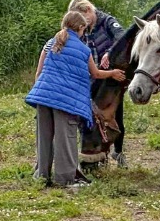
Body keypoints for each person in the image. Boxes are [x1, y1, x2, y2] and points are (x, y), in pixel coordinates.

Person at [27, 11, 125, 189]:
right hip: (65, 101)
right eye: (84, 30)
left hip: (43, 96)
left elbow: (39, 72)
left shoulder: (50, 44)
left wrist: (41, 93)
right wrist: (112, 73)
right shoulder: (83, 50)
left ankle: (41, 176)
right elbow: (95, 73)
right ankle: (65, 178)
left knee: (44, 137)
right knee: (66, 137)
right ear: (80, 28)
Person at [68, 0, 129, 167]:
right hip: (91, 77)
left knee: (115, 115)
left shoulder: (108, 21)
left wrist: (109, 53)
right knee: (89, 116)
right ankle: (93, 153)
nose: (83, 22)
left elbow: (122, 37)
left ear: (89, 10)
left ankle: (118, 151)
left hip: (111, 78)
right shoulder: (83, 27)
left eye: (84, 17)